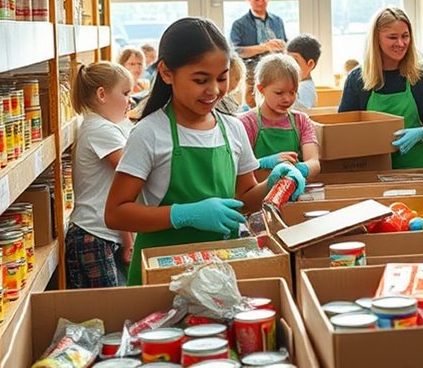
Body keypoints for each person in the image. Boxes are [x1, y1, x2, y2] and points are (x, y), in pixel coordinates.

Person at [104, 17, 306, 286]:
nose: (213, 90)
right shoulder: (150, 133)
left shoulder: (233, 129)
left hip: (219, 272)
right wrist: (183, 214)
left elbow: (244, 198)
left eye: (221, 78)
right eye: (200, 80)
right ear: (166, 73)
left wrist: (274, 182)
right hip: (163, 276)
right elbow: (116, 213)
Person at [338, 7, 423, 169]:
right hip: (370, 167)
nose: (401, 43)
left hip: (414, 167)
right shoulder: (358, 79)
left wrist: (420, 133)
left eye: (405, 36)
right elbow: (344, 130)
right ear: (376, 39)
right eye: (392, 37)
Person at [64, 62, 134, 288]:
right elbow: (131, 174)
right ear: (102, 94)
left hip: (101, 234)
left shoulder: (107, 126)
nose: (130, 100)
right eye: (125, 93)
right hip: (93, 235)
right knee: (106, 309)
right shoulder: (100, 130)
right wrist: (128, 240)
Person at [239, 54, 321, 181]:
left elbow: (314, 163)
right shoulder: (246, 123)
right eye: (279, 93)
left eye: (292, 92)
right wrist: (264, 163)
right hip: (257, 197)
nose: (287, 99)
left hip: (293, 191)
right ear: (261, 89)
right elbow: (237, 169)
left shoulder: (301, 121)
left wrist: (298, 170)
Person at [229, 0, 287, 108]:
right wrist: (264, 47)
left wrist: (281, 46)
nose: (260, 2)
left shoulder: (278, 21)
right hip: (251, 79)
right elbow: (235, 52)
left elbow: (285, 45)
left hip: (277, 75)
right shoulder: (239, 24)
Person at [286, 34, 321, 111]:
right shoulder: (298, 84)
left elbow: (302, 112)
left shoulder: (305, 88)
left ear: (310, 64)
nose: (289, 67)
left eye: (294, 62)